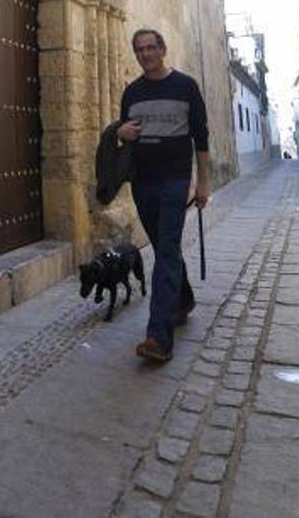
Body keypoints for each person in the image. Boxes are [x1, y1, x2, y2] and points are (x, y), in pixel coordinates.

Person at [116, 29, 210, 364]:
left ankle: (159, 336)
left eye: (151, 47)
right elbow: (124, 134)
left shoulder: (185, 86)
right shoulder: (132, 92)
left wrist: (203, 183)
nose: (145, 54)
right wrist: (120, 132)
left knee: (166, 250)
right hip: (143, 182)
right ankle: (183, 300)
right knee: (163, 246)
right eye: (139, 49)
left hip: (174, 181)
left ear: (163, 50)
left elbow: (201, 137)